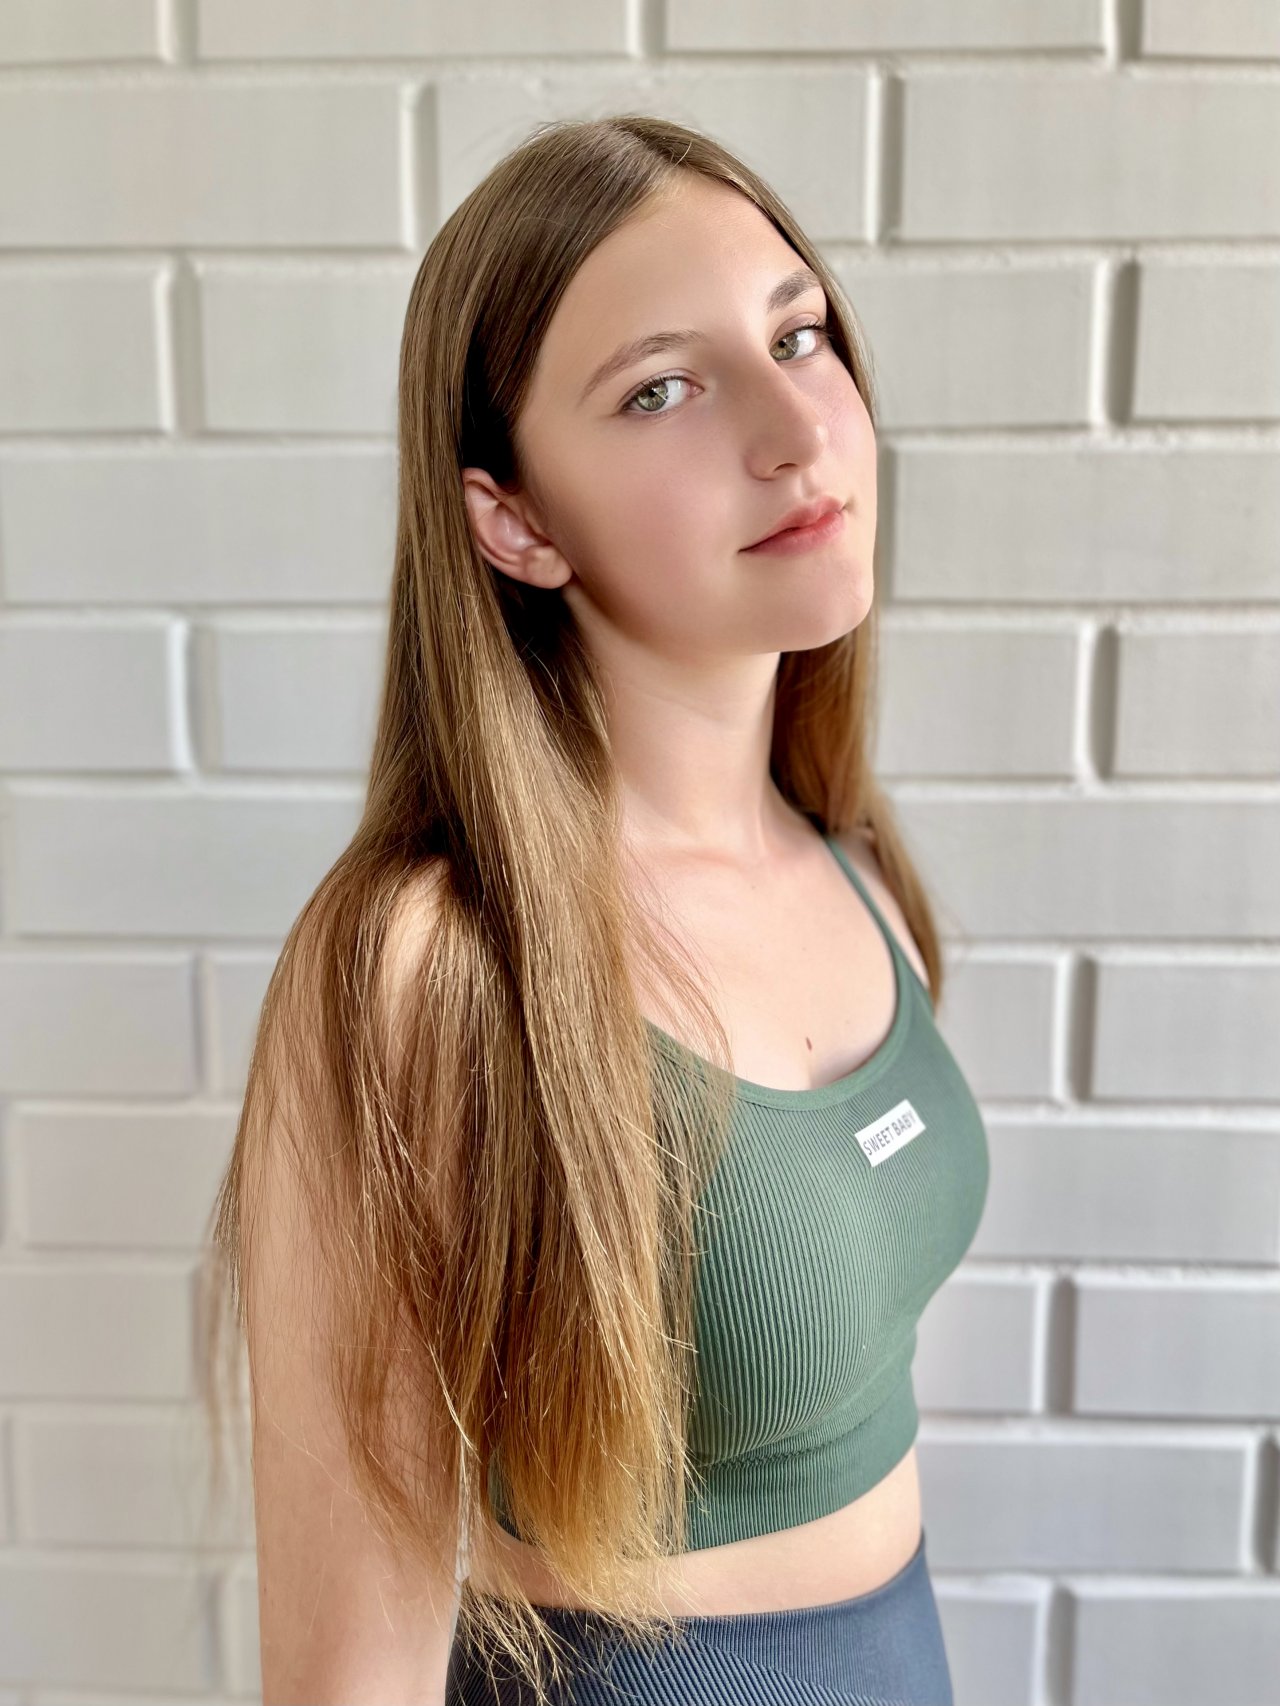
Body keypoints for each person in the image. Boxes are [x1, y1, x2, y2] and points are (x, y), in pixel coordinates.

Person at [197, 113, 990, 1706]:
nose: (799, 429)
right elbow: (344, 1677)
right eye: (662, 389)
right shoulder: (422, 969)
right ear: (518, 521)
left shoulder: (855, 866)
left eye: (799, 336)